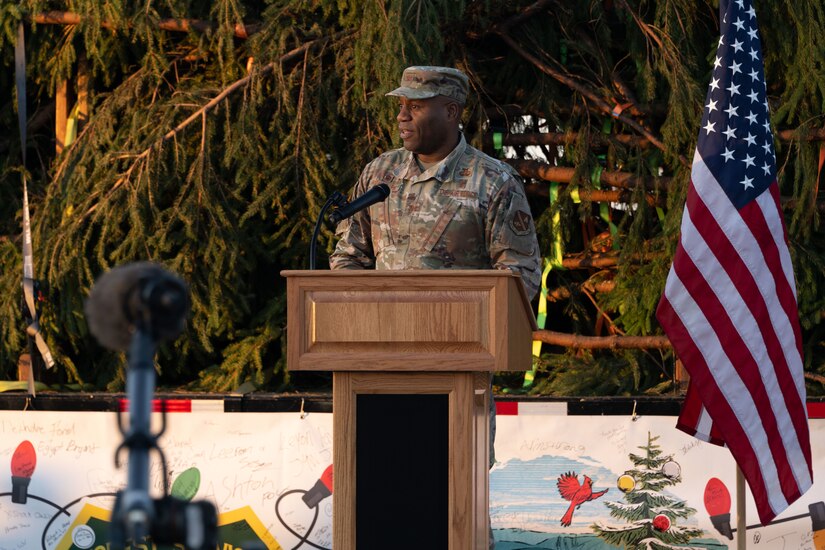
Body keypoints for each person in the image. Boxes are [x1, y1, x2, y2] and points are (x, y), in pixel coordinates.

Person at [329, 65, 541, 548]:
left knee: (453, 521)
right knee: (378, 517)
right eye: (400, 105)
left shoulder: (493, 182)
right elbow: (350, 257)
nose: (402, 115)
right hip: (374, 379)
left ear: (451, 110)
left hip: (457, 384)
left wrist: (457, 326)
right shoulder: (378, 175)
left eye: (415, 105)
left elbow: (520, 277)